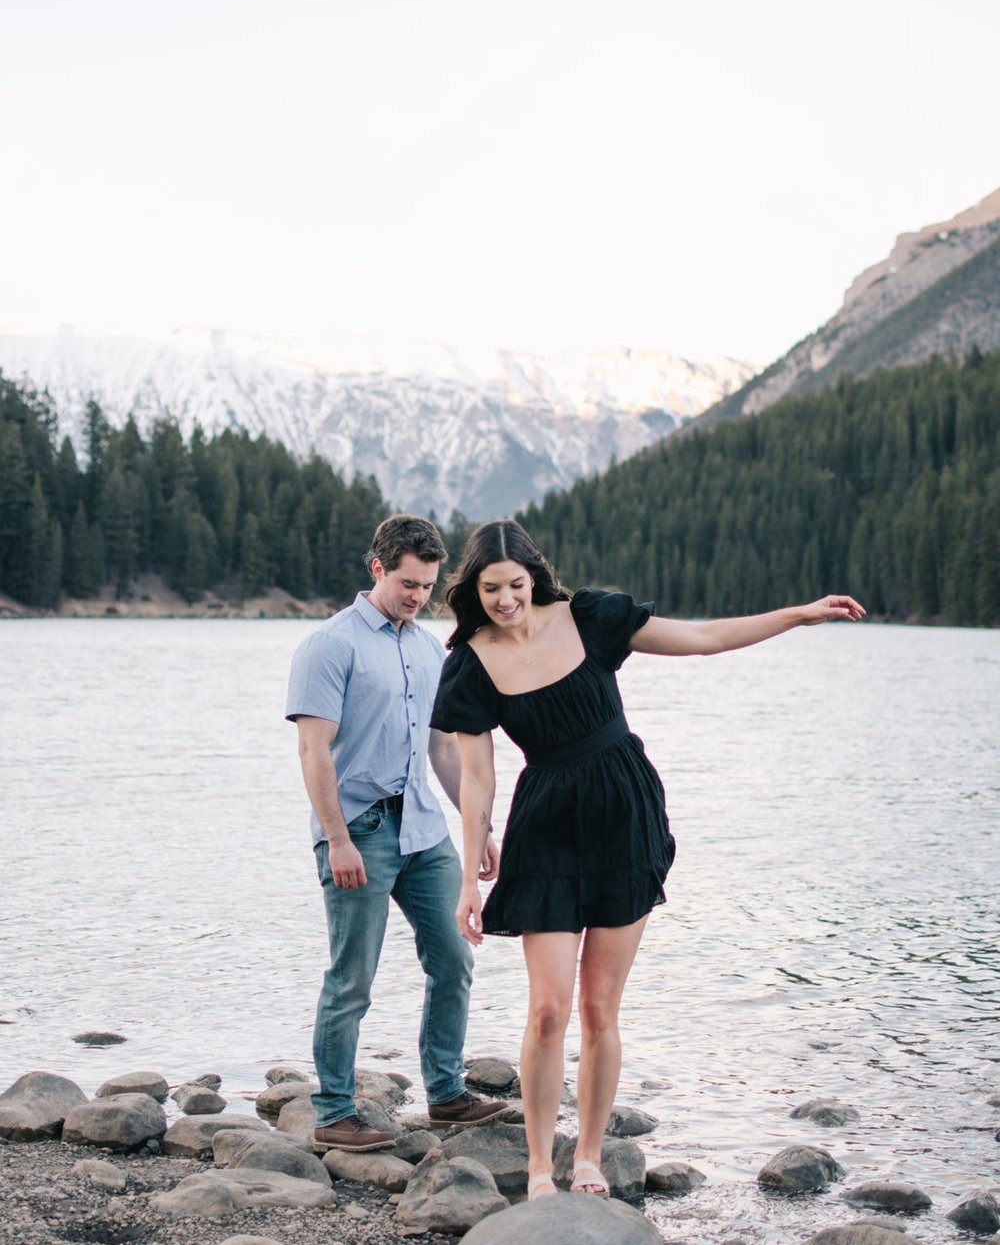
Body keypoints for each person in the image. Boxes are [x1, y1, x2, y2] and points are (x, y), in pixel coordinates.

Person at [430, 518, 865, 1199]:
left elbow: (700, 640)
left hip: (622, 815)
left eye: (516, 584)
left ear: (534, 577)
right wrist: (467, 877)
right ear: (474, 588)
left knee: (600, 1007)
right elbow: (477, 776)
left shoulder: (592, 618)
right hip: (544, 825)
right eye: (492, 588)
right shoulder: (469, 662)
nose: (506, 599)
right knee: (547, 1009)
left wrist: (798, 616)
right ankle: (541, 1166)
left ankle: (591, 1159)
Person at [285, 513, 509, 1153]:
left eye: (428, 586)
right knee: (351, 979)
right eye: (408, 583)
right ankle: (333, 1113)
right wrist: (338, 839)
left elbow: (442, 749)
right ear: (377, 567)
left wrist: (478, 826)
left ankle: (445, 1094)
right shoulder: (330, 645)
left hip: (425, 833)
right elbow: (313, 752)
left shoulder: (425, 646)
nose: (418, 596)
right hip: (359, 830)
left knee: (454, 959)